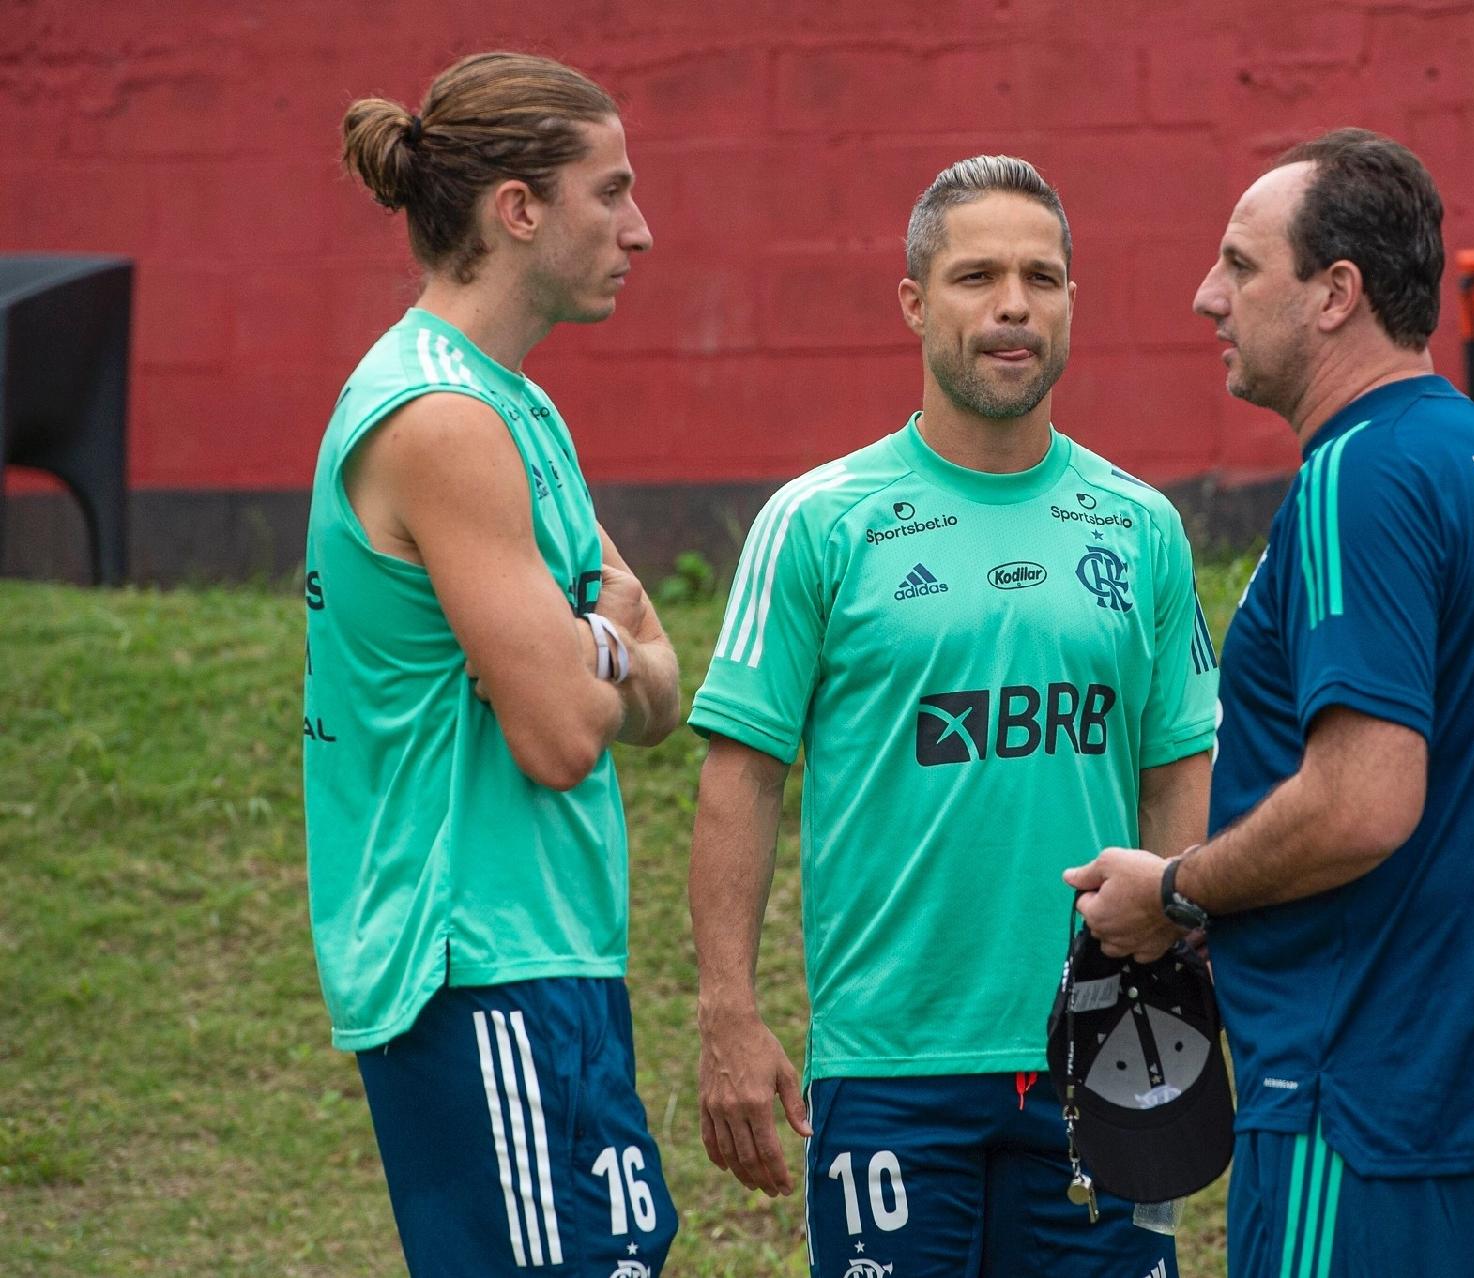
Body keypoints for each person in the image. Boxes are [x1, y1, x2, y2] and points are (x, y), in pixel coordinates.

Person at [1066, 128, 1474, 1277]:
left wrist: (1176, 892)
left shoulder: (1355, 475)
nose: (1206, 296)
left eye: (1240, 265)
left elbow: (1365, 802)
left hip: (1367, 1090)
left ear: (1336, 295)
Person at [686, 155, 1218, 1278]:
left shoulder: (1141, 526)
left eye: (1043, 276)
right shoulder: (819, 523)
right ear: (916, 304)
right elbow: (741, 774)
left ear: (1074, 301)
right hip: (891, 1064)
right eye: (977, 275)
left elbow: (1179, 764)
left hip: (1102, 1053)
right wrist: (728, 1011)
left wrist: (1174, 941)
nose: (1014, 304)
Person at [304, 51, 680, 1276]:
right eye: (610, 193)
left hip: (553, 955)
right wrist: (605, 648)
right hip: (477, 962)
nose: (641, 228)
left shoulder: (513, 403)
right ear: (518, 209)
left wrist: (598, 646)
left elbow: (662, 692)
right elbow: (566, 736)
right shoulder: (440, 418)